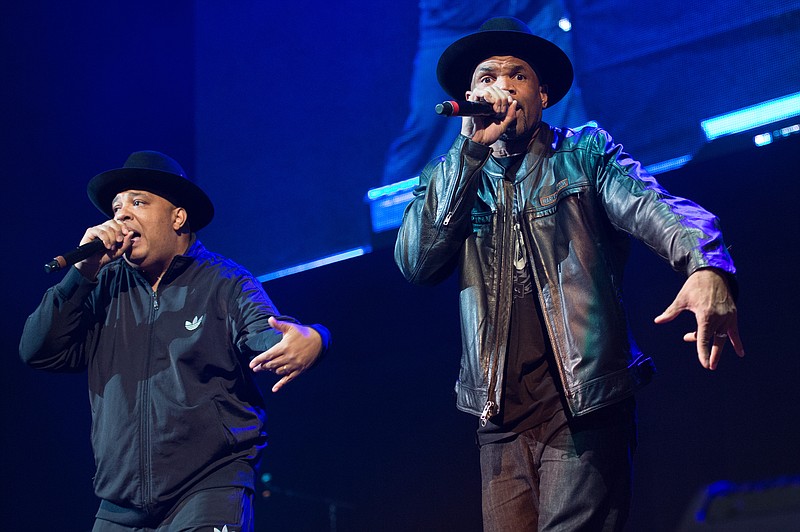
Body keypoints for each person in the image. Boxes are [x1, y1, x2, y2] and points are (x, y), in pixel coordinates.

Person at [394, 16, 745, 531]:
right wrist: (467, 156)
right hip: (498, 416)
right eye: (487, 78)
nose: (501, 88)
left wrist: (707, 263)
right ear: (469, 96)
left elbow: (656, 208)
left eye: (517, 75)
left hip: (581, 402)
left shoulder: (583, 155)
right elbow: (415, 263)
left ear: (544, 92)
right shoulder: (450, 178)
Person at [19, 151, 331, 531]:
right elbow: (36, 351)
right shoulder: (102, 285)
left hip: (209, 487)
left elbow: (267, 331)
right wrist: (81, 274)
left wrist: (314, 338)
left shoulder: (224, 282)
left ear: (177, 217)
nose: (121, 215)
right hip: (120, 504)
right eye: (117, 208)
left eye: (138, 202)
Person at [380, 0, 588, 185]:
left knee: (550, 108)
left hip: (530, 11)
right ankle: (399, 212)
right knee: (428, 124)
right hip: (452, 17)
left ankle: (574, 189)